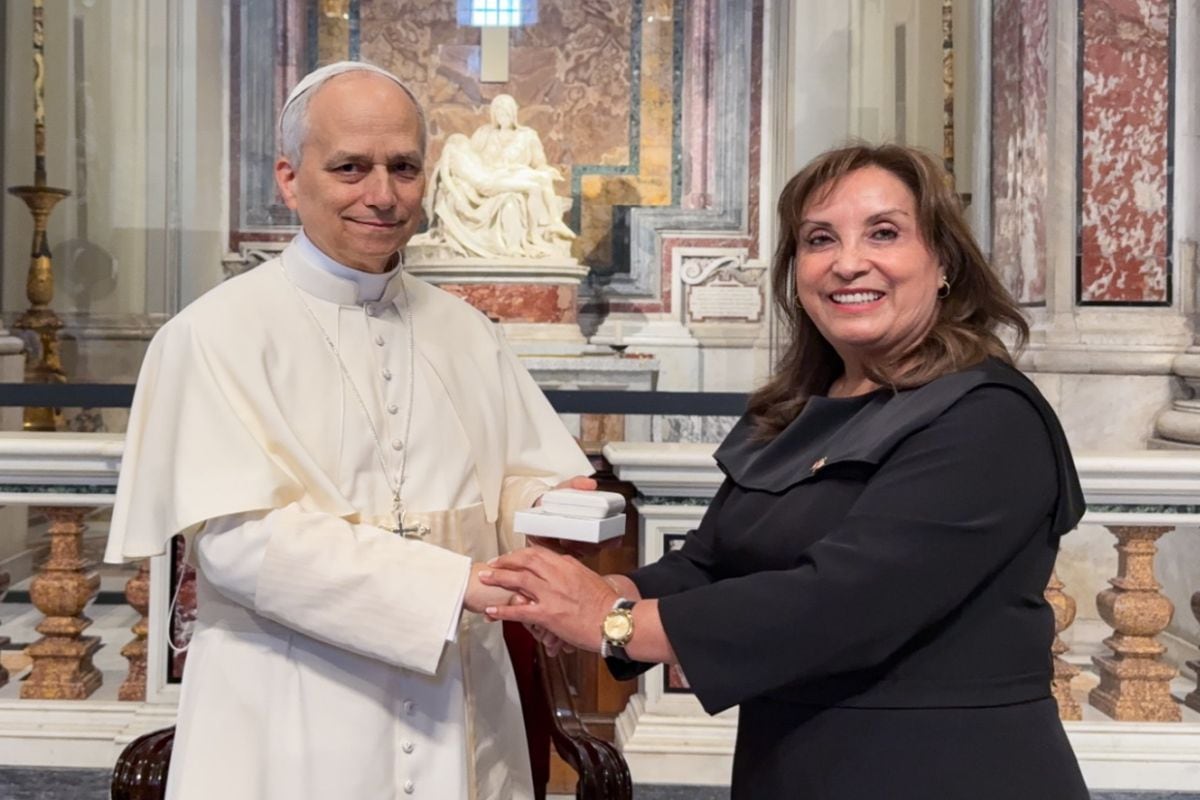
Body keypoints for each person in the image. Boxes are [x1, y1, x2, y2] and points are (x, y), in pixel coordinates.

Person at [482, 143, 1091, 799]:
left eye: (884, 233)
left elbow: (839, 603)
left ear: (943, 261)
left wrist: (613, 620)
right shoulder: (795, 410)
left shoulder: (986, 418)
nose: (848, 262)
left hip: (944, 769)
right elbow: (710, 563)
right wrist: (585, 593)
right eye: (819, 239)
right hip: (795, 765)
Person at [104, 60, 593, 800]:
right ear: (290, 178)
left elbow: (519, 479)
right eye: (350, 167)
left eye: (403, 167)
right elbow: (240, 543)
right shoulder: (210, 336)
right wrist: (453, 580)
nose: (383, 194)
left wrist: (553, 520)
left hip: (459, 703)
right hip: (289, 700)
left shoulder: (469, 333)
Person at [411, 94, 574, 260]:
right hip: (491, 181)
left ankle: (551, 225)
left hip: (513, 174)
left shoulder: (528, 136)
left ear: (513, 113)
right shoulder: (482, 134)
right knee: (517, 196)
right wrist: (458, 190)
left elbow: (539, 164)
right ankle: (532, 237)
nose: (502, 116)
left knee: (541, 179)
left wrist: (546, 170)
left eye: (505, 112)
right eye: (498, 112)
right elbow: (469, 162)